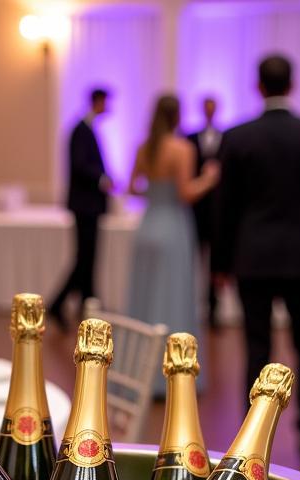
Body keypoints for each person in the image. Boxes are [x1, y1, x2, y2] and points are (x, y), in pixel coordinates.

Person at [215, 55, 300, 463]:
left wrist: (219, 264)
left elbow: (225, 206)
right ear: (293, 83)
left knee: (256, 345)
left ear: (258, 86)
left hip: (252, 254)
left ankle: (252, 434)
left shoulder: (237, 136)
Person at [126, 94, 218, 368]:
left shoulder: (144, 148)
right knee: (172, 298)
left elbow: (132, 188)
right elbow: (187, 193)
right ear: (178, 116)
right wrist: (209, 179)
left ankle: (140, 368)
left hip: (147, 225)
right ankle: (172, 368)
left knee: (144, 299)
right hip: (173, 228)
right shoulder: (182, 149)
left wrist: (155, 193)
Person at [48, 87, 112, 331]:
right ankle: (58, 303)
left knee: (89, 257)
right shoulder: (80, 130)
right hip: (85, 205)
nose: (108, 107)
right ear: (97, 101)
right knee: (84, 257)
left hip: (90, 206)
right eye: (106, 102)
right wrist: (102, 179)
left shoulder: (88, 129)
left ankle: (88, 305)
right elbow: (80, 165)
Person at [187, 96, 222, 328]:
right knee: (193, 260)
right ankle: (192, 306)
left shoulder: (227, 138)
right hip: (195, 210)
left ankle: (214, 309)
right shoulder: (189, 138)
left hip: (217, 211)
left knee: (215, 262)